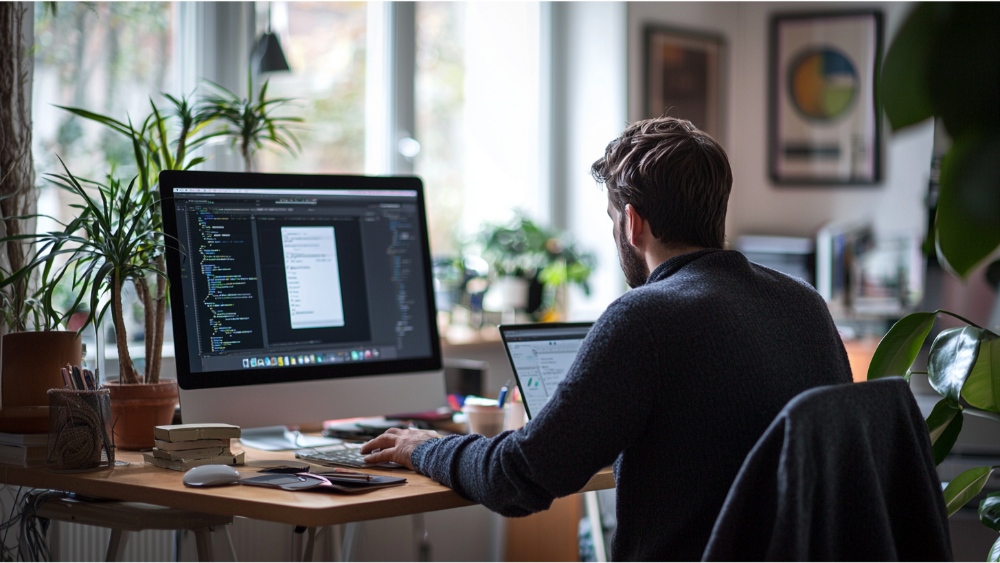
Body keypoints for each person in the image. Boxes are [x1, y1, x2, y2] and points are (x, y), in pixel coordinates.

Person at [362, 117, 853, 562]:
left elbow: (519, 478)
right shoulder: (804, 303)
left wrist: (423, 446)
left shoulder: (646, 316)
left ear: (632, 223)